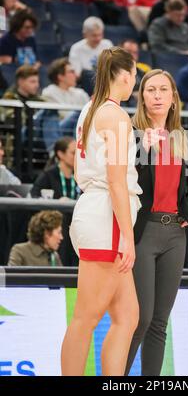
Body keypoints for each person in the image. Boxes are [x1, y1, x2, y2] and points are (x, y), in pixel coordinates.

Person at [61, 47, 142, 376]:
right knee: (86, 317)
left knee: (128, 316)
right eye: (134, 75)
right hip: (105, 215)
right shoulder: (116, 115)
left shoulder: (90, 109)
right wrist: (128, 237)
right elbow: (117, 181)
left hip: (93, 209)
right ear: (123, 76)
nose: (134, 82)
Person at [125, 69, 188, 376]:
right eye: (150, 90)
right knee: (141, 318)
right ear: (142, 97)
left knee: (160, 321)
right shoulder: (131, 135)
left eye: (163, 90)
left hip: (175, 232)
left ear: (174, 98)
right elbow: (124, 178)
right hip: (143, 231)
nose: (157, 95)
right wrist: (144, 147)